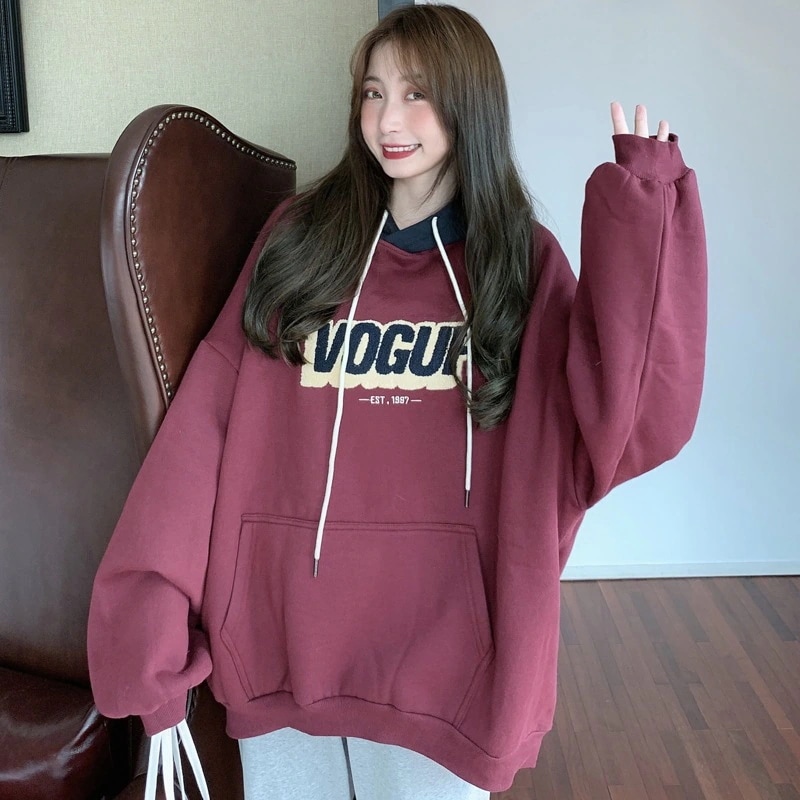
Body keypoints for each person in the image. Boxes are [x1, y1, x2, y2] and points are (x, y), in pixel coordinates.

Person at [87, 4, 707, 800]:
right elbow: (199, 437)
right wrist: (148, 637)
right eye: (373, 93)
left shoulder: (520, 264)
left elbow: (626, 424)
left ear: (468, 104)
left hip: (452, 669)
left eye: (416, 94)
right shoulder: (297, 243)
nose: (388, 120)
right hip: (283, 649)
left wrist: (644, 219)